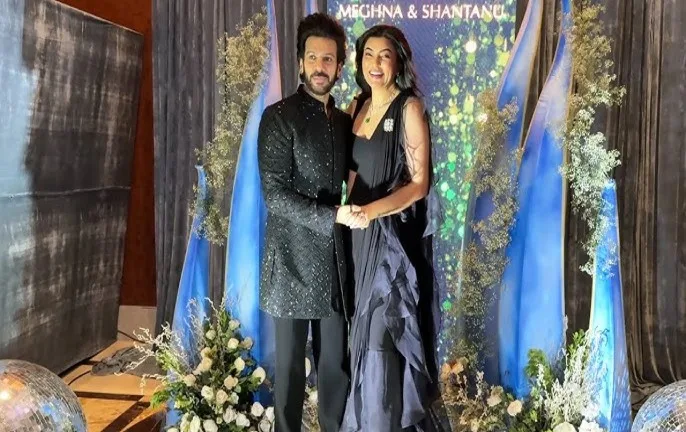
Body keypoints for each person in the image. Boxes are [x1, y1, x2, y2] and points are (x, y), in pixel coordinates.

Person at [256, 12, 363, 432]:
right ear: (300, 62)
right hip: (291, 266)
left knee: (335, 370)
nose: (321, 67)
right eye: (313, 58)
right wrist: (333, 214)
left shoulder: (344, 121)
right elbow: (275, 195)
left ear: (339, 66)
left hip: (334, 266)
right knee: (289, 380)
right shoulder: (279, 117)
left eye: (329, 59)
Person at [341, 24, 442, 432]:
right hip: (355, 240)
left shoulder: (409, 108)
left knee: (381, 344)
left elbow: (419, 185)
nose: (376, 63)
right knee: (360, 342)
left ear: (398, 62)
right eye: (368, 54)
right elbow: (349, 176)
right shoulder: (356, 107)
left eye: (385, 55)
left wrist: (370, 212)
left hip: (389, 245)